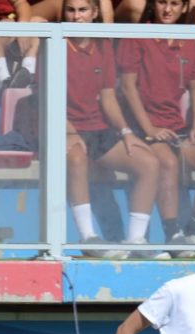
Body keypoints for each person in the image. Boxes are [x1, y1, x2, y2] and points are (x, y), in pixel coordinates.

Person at [118, 0, 195, 255]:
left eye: (174, 3)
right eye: (162, 2)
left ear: (184, 8)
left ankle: (191, 231)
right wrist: (149, 128)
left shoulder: (187, 41)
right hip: (143, 128)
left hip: (175, 128)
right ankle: (172, 234)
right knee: (168, 162)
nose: (168, 9)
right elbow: (127, 87)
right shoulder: (137, 36)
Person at [62, 0, 160, 258]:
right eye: (71, 10)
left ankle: (135, 241)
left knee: (149, 163)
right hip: (62, 127)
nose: (76, 16)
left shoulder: (103, 46)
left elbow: (108, 97)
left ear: (95, 13)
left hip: (98, 130)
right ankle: (88, 237)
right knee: (76, 157)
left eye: (83, 10)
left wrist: (126, 132)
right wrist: (69, 132)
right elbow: (47, 96)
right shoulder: (55, 43)